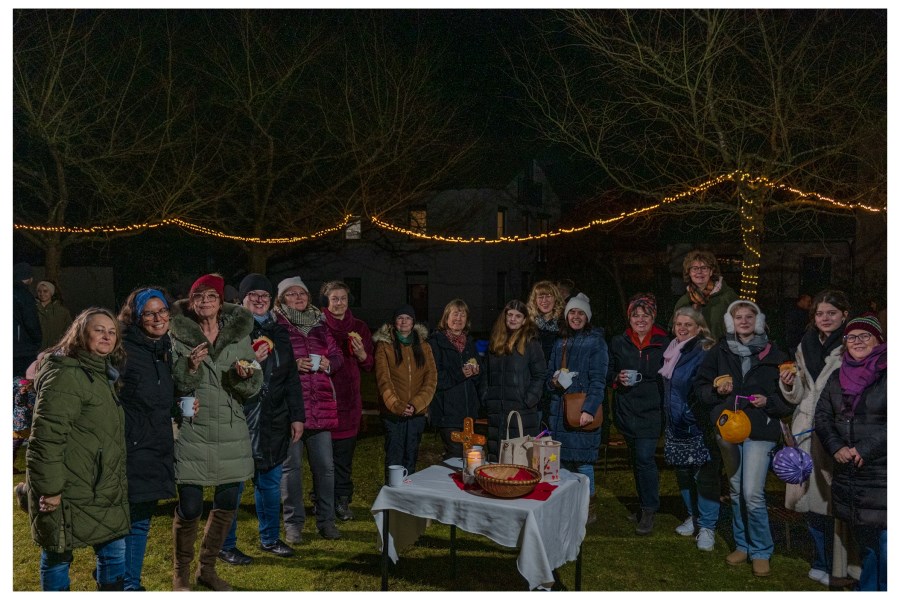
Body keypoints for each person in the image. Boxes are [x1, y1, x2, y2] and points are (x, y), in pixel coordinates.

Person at [168, 273, 262, 591]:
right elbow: (172, 381)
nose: (205, 302)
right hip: (193, 429)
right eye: (199, 297)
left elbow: (253, 384)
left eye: (211, 296)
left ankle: (206, 571)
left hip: (232, 429)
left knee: (227, 503)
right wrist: (190, 368)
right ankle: (181, 575)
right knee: (191, 506)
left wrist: (245, 374)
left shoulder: (238, 337)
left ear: (221, 302)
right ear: (191, 302)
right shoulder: (178, 335)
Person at [24, 308, 129, 590]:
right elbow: (46, 438)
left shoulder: (100, 373)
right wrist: (51, 489)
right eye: (99, 330)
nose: (106, 336)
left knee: (114, 554)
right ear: (80, 334)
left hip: (101, 487)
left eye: (111, 331)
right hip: (68, 489)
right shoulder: (66, 375)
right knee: (58, 555)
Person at [696, 299, 794, 578]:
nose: (744, 321)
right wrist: (717, 392)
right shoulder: (719, 351)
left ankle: (762, 549)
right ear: (731, 322)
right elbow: (700, 388)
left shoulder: (774, 354)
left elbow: (789, 398)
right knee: (737, 490)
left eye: (749, 316)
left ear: (758, 320)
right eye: (738, 317)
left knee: (752, 493)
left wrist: (770, 401)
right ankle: (743, 545)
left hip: (760, 429)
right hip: (728, 429)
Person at [220, 274, 305, 563]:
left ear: (271, 301)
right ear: (242, 299)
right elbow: (225, 377)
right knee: (233, 484)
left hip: (275, 419)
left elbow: (291, 377)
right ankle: (225, 544)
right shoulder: (231, 331)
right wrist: (253, 360)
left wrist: (297, 416)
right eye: (252, 295)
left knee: (269, 483)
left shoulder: (280, 331)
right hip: (240, 417)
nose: (258, 300)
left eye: (264, 296)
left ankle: (269, 538)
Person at [779, 289, 853, 586]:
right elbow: (800, 394)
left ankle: (841, 562)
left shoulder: (853, 345)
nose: (825, 318)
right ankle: (820, 559)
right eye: (820, 313)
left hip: (835, 431)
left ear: (844, 315)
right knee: (805, 500)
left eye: (832, 313)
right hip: (805, 428)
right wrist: (789, 383)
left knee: (832, 501)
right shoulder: (805, 343)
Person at [814, 316, 886, 591]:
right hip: (852, 474)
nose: (857, 342)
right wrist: (837, 447)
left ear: (879, 340)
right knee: (867, 543)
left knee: (888, 543)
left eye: (864, 336)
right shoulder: (838, 376)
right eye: (851, 337)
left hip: (883, 470)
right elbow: (823, 417)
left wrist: (864, 449)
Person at [117, 287, 179, 590]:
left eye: (162, 311)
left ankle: (122, 578)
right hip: (133, 445)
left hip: (156, 443)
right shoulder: (124, 348)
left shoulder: (164, 346)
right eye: (149, 313)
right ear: (136, 316)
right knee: (132, 519)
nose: (157, 317)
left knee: (140, 517)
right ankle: (126, 583)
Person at [273, 276, 344, 542]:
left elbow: (337, 356)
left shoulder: (320, 326)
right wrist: (294, 363)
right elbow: (272, 358)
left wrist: (328, 362)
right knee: (291, 469)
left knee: (325, 468)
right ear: (282, 300)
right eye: (290, 294)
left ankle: (326, 522)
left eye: (301, 293)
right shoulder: (278, 325)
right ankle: (293, 524)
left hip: (322, 406)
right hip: (293, 407)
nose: (298, 298)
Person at [607, 293, 670, 535]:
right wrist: (616, 378)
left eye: (646, 315)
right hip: (626, 407)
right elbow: (609, 371)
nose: (640, 319)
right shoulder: (619, 341)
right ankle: (643, 504)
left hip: (652, 409)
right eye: (636, 315)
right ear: (629, 317)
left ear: (653, 317)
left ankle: (649, 509)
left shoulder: (665, 343)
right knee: (635, 459)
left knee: (645, 459)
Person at [659, 307, 718, 550]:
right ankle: (693, 516)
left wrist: (689, 414)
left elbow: (703, 387)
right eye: (678, 324)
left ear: (699, 327)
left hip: (695, 423)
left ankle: (707, 526)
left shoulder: (703, 349)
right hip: (675, 423)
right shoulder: (673, 349)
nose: (682, 329)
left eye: (688, 325)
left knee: (702, 475)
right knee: (682, 472)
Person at [546, 293, 608, 522]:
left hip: (580, 411)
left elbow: (598, 380)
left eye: (580, 313)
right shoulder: (559, 341)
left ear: (587, 317)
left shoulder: (596, 342)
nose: (576, 316)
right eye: (572, 312)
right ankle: (566, 507)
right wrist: (553, 382)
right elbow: (548, 376)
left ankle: (587, 508)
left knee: (583, 465)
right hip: (558, 412)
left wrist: (589, 410)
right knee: (561, 464)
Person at [320, 281, 374, 521]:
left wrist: (362, 354)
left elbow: (369, 364)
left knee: (343, 459)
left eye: (343, 298)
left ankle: (342, 501)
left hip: (349, 403)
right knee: (322, 460)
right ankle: (322, 501)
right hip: (323, 399)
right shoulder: (318, 325)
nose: (339, 303)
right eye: (334, 299)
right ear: (327, 301)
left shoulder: (360, 327)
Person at [373, 304, 437, 477]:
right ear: (394, 322)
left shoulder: (424, 346)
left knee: (411, 456)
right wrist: (398, 405)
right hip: (393, 413)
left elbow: (431, 379)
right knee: (394, 458)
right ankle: (392, 497)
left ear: (413, 322)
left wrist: (416, 404)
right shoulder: (384, 345)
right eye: (400, 318)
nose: (404, 321)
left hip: (416, 413)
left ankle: (407, 497)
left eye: (408, 318)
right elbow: (383, 379)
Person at [480, 299, 547, 461]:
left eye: (518, 316)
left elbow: (540, 375)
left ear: (524, 320)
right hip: (497, 410)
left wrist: (528, 400)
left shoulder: (531, 343)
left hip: (521, 412)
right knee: (496, 457)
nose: (513, 319)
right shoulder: (495, 342)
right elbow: (486, 374)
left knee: (519, 459)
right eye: (510, 315)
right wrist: (485, 396)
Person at [428, 299, 481, 460]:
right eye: (455, 314)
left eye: (462, 315)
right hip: (447, 412)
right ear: (446, 318)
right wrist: (460, 373)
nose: (458, 318)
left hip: (468, 413)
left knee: (468, 457)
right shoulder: (435, 342)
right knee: (455, 456)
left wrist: (477, 371)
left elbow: (478, 378)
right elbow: (434, 378)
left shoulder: (470, 344)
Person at [673, 250, 738, 342]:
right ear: (689, 272)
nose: (699, 272)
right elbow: (673, 330)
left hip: (721, 352)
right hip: (692, 353)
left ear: (711, 271)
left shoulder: (728, 297)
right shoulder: (683, 301)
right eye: (694, 268)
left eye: (704, 268)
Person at [526, 280, 565, 366]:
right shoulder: (527, 324)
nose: (544, 300)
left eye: (548, 296)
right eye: (540, 297)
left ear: (555, 298)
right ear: (535, 300)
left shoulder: (564, 323)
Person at [13, 261, 42, 376]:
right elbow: (31, 322)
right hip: (22, 350)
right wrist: (37, 340)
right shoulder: (24, 295)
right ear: (29, 278)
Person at [35, 280, 73, 351]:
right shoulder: (32, 309)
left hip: (55, 351)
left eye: (45, 291)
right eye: (39, 291)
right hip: (35, 351)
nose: (42, 294)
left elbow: (69, 331)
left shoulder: (62, 311)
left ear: (51, 292)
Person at [784, 293, 813, 358]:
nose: (810, 304)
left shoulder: (804, 312)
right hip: (795, 343)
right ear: (802, 300)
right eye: (808, 301)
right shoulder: (793, 312)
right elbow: (792, 328)